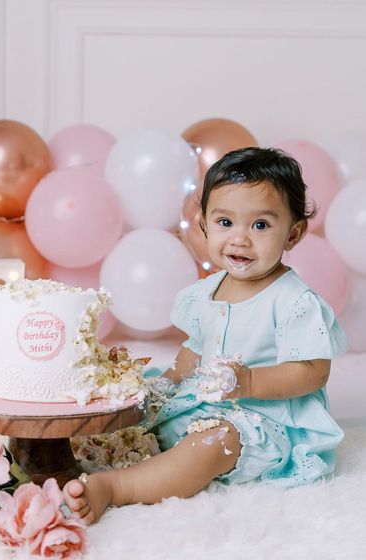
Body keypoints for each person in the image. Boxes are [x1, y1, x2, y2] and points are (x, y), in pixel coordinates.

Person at [63, 147, 348, 524]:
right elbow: (195, 351)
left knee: (213, 443)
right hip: (204, 401)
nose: (240, 239)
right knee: (141, 405)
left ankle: (117, 488)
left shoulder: (295, 301)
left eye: (260, 225)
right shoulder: (207, 292)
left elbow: (312, 371)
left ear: (293, 234)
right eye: (225, 223)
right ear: (204, 224)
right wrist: (167, 384)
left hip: (263, 422)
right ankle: (86, 453)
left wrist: (249, 381)